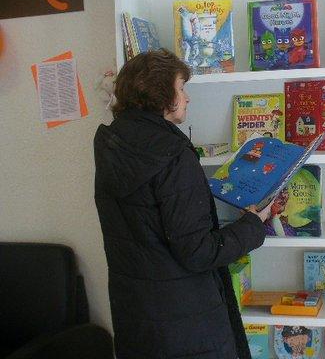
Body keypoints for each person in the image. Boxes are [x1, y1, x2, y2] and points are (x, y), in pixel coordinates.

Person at [94, 49, 273, 359]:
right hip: (185, 320)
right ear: (161, 93)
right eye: (181, 87)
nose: (187, 97)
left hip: (137, 316)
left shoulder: (113, 144)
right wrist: (253, 226)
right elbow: (199, 252)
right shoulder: (173, 153)